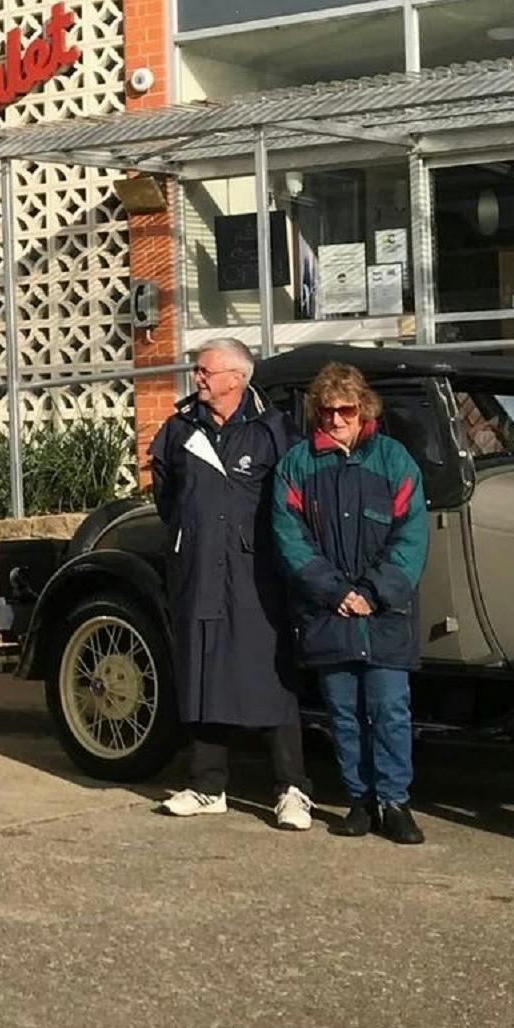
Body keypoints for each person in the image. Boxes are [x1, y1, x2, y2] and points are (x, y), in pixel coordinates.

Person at [148, 337, 313, 829]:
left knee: (271, 677)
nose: (197, 378)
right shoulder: (179, 428)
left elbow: (295, 495)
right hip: (198, 570)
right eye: (197, 370)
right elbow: (165, 491)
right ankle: (206, 785)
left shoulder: (273, 429)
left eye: (205, 371)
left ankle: (291, 790)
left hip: (255, 574)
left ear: (237, 378)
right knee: (202, 671)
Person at [272, 361, 429, 845]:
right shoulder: (297, 464)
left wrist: (374, 592)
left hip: (384, 616)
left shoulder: (395, 460)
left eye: (346, 409)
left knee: (389, 709)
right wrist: (335, 593)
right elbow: (289, 537)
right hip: (330, 615)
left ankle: (394, 802)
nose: (337, 418)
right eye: (327, 411)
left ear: (364, 410)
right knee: (343, 714)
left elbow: (411, 537)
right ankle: (359, 801)